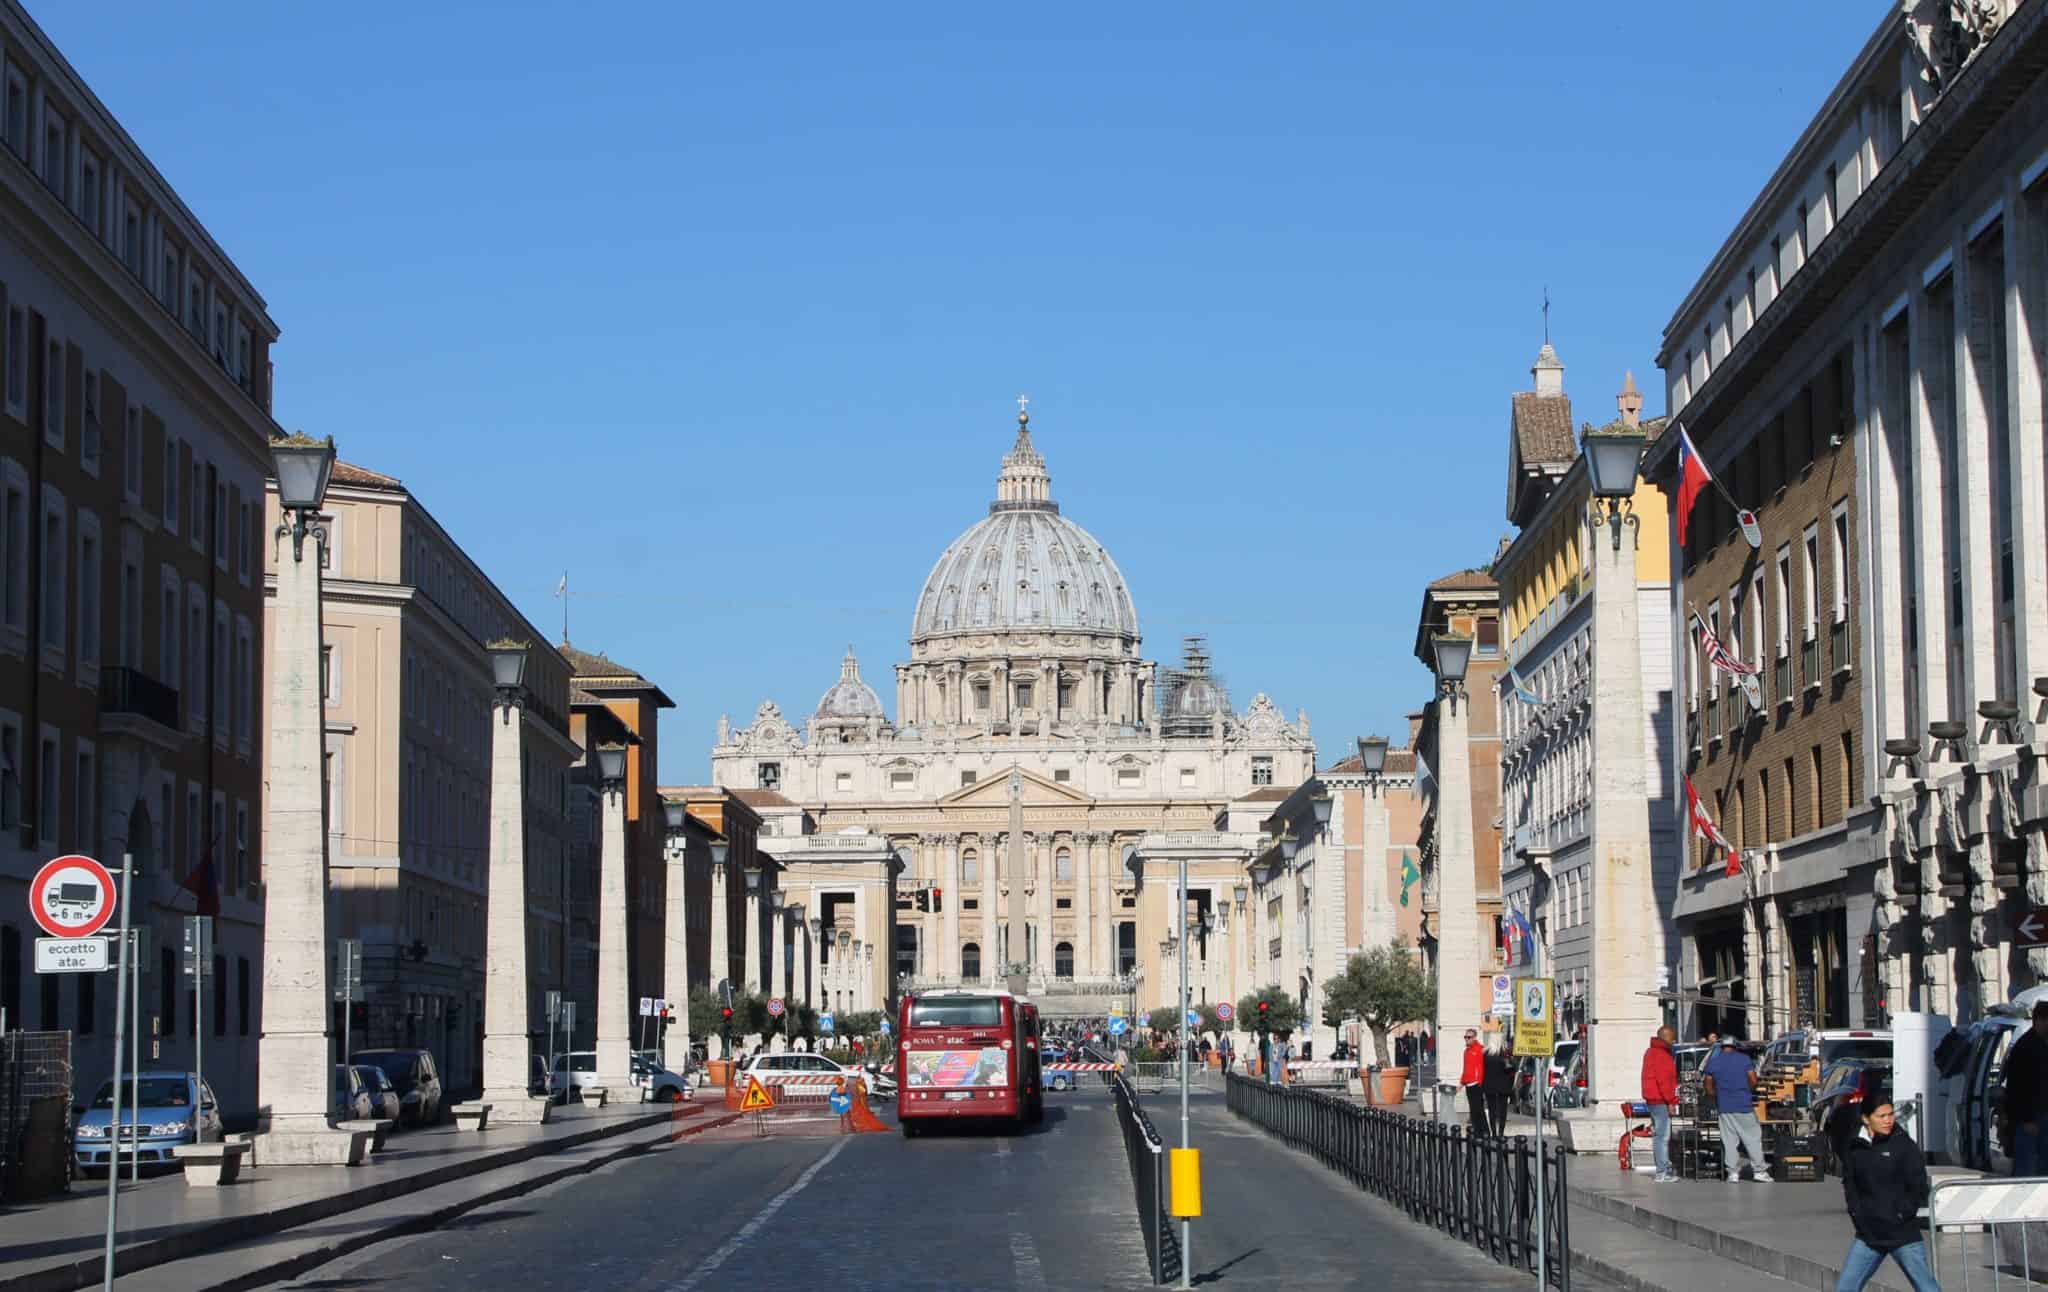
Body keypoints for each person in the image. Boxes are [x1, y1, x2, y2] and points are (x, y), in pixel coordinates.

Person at [1834, 1099, 1937, 1292]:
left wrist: (1902, 1214)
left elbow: (1918, 1186)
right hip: (1868, 1235)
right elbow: (1850, 1184)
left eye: (1890, 1115)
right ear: (1866, 1119)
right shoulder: (1855, 1146)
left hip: (1902, 1234)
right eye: (1881, 1116)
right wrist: (1857, 1215)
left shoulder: (1904, 1145)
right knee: (1845, 1288)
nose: (1888, 1120)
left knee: (1926, 1287)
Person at [1701, 1037, 1770, 1184]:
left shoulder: (1714, 1062)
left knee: (1729, 1141)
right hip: (1744, 1104)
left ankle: (1732, 1173)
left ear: (1722, 1047)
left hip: (1724, 1106)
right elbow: (1753, 1080)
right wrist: (1746, 1092)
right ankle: (1759, 1171)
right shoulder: (1744, 1059)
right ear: (1735, 1046)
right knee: (1752, 1138)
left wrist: (1717, 1095)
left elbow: (1707, 1085)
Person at [2001, 1000, 2048, 1176]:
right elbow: (2016, 1088)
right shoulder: (2025, 1047)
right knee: (2027, 1170)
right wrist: (2026, 1119)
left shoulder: (2042, 1044)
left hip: (2042, 1117)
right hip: (2029, 1121)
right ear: (2038, 1021)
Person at [1641, 1025, 1681, 1183]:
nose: (1674, 1040)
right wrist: (1671, 1101)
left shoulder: (1650, 1052)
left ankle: (1662, 1170)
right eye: (1673, 1037)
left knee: (1659, 1135)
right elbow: (1664, 1081)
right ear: (1665, 1037)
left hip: (1652, 1099)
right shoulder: (1662, 1055)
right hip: (1660, 1100)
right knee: (1662, 1136)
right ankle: (1662, 1171)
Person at [1482, 1034, 1514, 1137]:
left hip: (1489, 1085)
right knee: (1502, 1110)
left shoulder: (1485, 1054)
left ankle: (1494, 1133)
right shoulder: (1504, 1054)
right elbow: (1510, 1068)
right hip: (1503, 1085)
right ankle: (1501, 1132)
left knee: (1492, 1110)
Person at [1460, 1029, 1486, 1133]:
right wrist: (1461, 1083)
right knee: (1473, 1110)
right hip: (1468, 1084)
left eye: (1469, 1037)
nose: (1466, 1039)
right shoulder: (1466, 1051)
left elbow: (1483, 1067)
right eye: (1465, 1037)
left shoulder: (1480, 1049)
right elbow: (1465, 1069)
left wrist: (1480, 1082)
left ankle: (1484, 1132)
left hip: (1477, 1084)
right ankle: (1477, 1132)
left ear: (1474, 1038)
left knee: (1479, 1109)